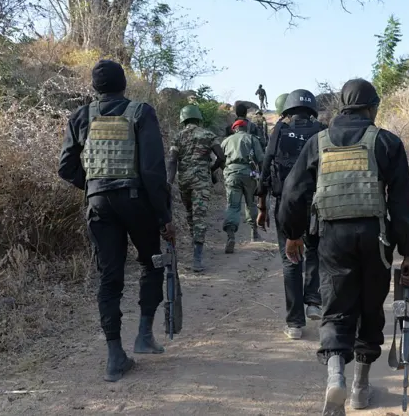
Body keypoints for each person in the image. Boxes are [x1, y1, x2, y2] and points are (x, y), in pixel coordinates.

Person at [277, 78, 409, 415]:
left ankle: (335, 376)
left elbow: (293, 193)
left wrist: (293, 234)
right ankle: (359, 387)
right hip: (376, 238)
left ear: (343, 105)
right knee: (370, 310)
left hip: (332, 238)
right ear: (372, 107)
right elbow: (400, 202)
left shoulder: (318, 142)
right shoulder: (386, 142)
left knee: (336, 308)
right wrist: (406, 251)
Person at [58, 60, 175, 382]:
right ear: (124, 84)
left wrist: (95, 185)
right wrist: (164, 216)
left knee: (110, 278)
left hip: (98, 204)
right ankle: (144, 337)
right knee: (152, 264)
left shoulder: (80, 116)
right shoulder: (141, 112)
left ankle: (114, 356)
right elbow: (152, 170)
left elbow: (66, 167)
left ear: (95, 88)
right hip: (136, 201)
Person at [257, 89, 326, 340]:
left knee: (290, 261)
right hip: (317, 204)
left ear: (287, 110)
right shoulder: (322, 130)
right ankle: (314, 300)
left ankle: (295, 323)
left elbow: (266, 167)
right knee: (314, 251)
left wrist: (262, 206)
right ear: (311, 109)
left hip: (285, 205)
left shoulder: (280, 131)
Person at [166, 105, 225, 272]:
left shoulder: (178, 137)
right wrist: (211, 169)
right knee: (200, 216)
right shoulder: (207, 135)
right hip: (202, 182)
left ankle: (195, 247)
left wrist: (168, 183)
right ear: (198, 118)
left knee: (191, 215)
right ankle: (197, 257)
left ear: (183, 120)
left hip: (184, 181)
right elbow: (221, 157)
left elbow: (172, 161)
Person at [220, 116, 265, 253]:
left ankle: (231, 235)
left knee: (233, 205)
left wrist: (226, 171)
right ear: (246, 128)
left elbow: (219, 158)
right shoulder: (252, 139)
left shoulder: (226, 141)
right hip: (248, 174)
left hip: (232, 174)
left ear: (234, 129)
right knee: (250, 203)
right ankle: (254, 233)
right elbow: (261, 159)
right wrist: (262, 178)